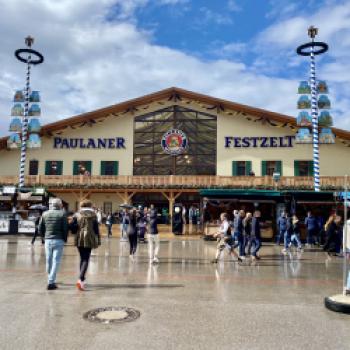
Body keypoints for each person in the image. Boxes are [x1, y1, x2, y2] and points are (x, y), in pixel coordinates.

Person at [38, 198, 68, 290]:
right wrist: (64, 239)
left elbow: (40, 227)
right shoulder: (62, 214)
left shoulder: (45, 214)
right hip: (58, 240)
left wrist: (44, 237)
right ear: (59, 205)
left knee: (48, 259)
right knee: (56, 261)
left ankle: (50, 277)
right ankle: (51, 281)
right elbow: (65, 228)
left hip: (48, 239)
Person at [74, 200, 101, 291]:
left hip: (79, 237)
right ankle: (80, 279)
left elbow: (74, 227)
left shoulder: (77, 214)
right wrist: (98, 239)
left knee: (82, 258)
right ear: (90, 205)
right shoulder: (94, 215)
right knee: (86, 258)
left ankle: (82, 279)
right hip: (89, 237)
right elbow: (96, 229)